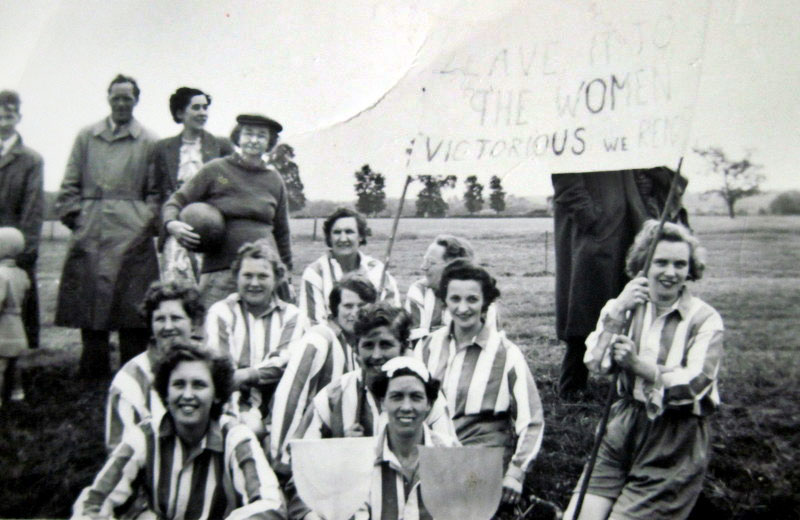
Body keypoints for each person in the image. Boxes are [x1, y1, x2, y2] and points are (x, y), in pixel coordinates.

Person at [564, 221, 723, 520]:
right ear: (643, 266)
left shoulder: (705, 319)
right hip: (622, 426)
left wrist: (639, 366)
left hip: (675, 434)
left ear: (690, 269)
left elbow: (697, 385)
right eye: (660, 262)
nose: (670, 273)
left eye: (680, 264)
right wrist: (616, 314)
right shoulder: (623, 307)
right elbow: (597, 364)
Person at [73, 342, 287, 520]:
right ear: (165, 393)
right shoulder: (146, 436)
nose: (187, 395)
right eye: (178, 384)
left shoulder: (235, 437)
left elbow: (271, 505)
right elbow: (95, 500)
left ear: (217, 394)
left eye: (199, 385)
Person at [414, 259, 544, 506]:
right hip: (434, 453)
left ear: (485, 302)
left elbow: (532, 421)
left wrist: (516, 473)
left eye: (472, 299)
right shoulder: (427, 347)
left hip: (482, 456)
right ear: (444, 301)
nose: (463, 308)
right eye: (455, 299)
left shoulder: (506, 353)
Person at [55, 74, 160, 378]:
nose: (122, 103)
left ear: (136, 100)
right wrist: (79, 218)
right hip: (92, 231)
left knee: (133, 307)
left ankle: (133, 371)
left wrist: (143, 222)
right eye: (116, 97)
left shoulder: (150, 141)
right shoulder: (86, 136)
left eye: (128, 97)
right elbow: (70, 184)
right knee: (90, 304)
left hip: (134, 234)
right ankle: (92, 370)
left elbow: (155, 192)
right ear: (108, 98)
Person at [552, 168, 688, 400]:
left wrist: (645, 180)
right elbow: (565, 179)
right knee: (584, 304)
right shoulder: (583, 138)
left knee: (636, 303)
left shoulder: (631, 136)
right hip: (593, 233)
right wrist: (590, 215)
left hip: (635, 226)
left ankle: (629, 379)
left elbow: (667, 175)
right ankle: (573, 383)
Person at [163, 113, 292, 310]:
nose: (254, 140)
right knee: (214, 330)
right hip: (221, 271)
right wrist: (171, 223)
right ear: (238, 136)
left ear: (269, 143)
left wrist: (287, 273)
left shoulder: (274, 180)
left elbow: (282, 232)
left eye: (261, 136)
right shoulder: (217, 171)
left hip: (264, 272)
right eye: (248, 133)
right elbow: (176, 201)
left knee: (265, 333)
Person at [297, 302, 456, 440]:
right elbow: (302, 460)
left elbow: (448, 458)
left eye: (386, 345)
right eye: (368, 345)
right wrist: (342, 448)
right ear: (355, 349)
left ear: (404, 346)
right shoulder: (333, 397)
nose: (376, 355)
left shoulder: (425, 395)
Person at [270, 273, 377, 468]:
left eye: (362, 306)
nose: (355, 313)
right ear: (335, 309)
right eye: (348, 306)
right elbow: (291, 396)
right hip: (305, 447)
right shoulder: (320, 338)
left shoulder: (363, 348)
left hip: (338, 451)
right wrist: (283, 456)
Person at [205, 239, 307, 437]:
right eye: (247, 275)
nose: (254, 283)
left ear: (277, 279)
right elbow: (223, 370)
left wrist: (245, 375)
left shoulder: (293, 316)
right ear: (236, 277)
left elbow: (285, 362)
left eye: (262, 276)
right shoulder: (221, 312)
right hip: (231, 408)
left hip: (278, 411)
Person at [352, 357, 459, 520]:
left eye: (416, 397)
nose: (406, 407)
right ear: (383, 403)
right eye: (397, 397)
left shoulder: (452, 452)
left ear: (429, 404)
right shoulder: (361, 459)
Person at [105, 280, 205, 451]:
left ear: (194, 323)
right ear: (150, 326)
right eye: (160, 319)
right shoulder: (130, 381)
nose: (168, 327)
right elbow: (119, 452)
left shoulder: (211, 368)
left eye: (176, 318)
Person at [151, 86, 234, 284]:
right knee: (175, 289)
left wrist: (216, 179)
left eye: (205, 107)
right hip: (176, 230)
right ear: (180, 112)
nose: (202, 113)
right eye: (196, 108)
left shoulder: (221, 145)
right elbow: (155, 191)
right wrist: (166, 223)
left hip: (211, 230)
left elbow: (228, 182)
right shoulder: (163, 149)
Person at [299, 207, 399, 325]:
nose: (343, 238)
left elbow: (394, 317)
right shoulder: (315, 273)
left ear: (361, 236)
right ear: (329, 238)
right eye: (337, 232)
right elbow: (313, 324)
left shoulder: (377, 270)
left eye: (349, 232)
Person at [0, 90, 43, 351]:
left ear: (18, 117)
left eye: (9, 115)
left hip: (14, 246)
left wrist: (24, 251)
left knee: (15, 309)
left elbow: (33, 207)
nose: (3, 122)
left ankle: (21, 363)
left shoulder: (31, 160)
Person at [405, 234, 499, 340]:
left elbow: (490, 341)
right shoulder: (419, 291)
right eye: (424, 261)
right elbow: (414, 340)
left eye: (430, 263)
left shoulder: (481, 297)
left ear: (453, 266)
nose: (423, 268)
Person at [0, 228, 30, 407]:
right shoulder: (21, 273)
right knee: (15, 364)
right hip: (17, 325)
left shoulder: (0, 274)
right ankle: (17, 393)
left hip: (3, 326)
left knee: (1, 365)